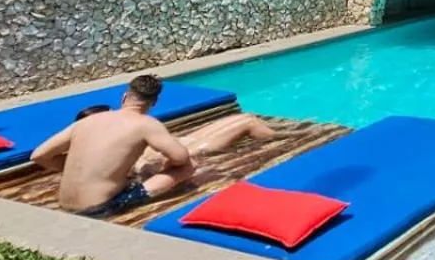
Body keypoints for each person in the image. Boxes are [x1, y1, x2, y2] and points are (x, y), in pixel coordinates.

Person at [31, 73, 273, 217]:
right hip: (100, 208)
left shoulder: (89, 121)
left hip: (65, 204)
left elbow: (39, 156)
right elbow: (180, 158)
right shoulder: (146, 124)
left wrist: (76, 166)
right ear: (154, 102)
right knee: (188, 166)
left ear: (125, 96)